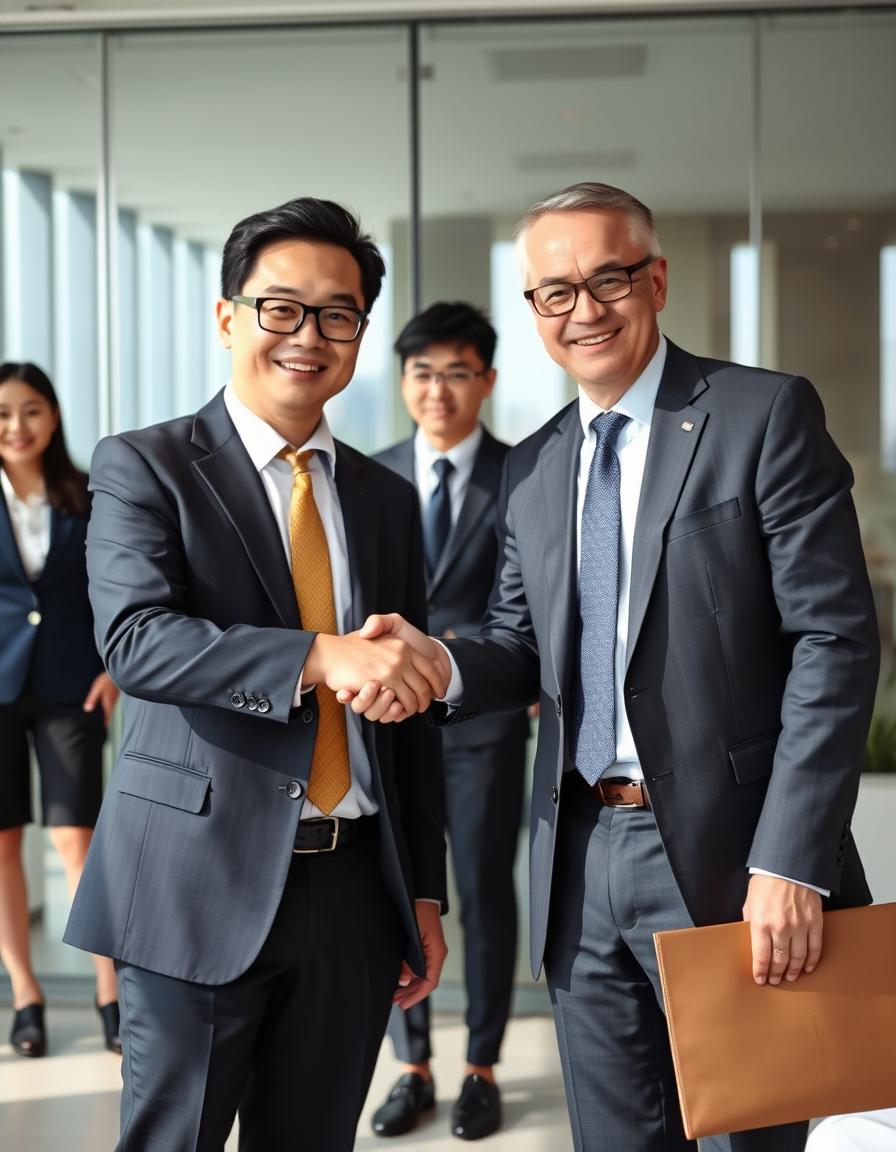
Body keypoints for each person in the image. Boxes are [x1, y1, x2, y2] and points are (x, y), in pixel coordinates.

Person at [346, 182, 880, 1152]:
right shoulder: (535, 465)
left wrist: (789, 860)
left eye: (608, 279)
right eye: (554, 292)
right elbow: (516, 649)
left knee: (744, 1139)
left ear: (657, 279)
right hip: (579, 860)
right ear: (533, 312)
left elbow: (833, 643)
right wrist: (439, 665)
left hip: (732, 865)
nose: (583, 309)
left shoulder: (759, 415)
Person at [63, 197, 449, 1152]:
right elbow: (139, 641)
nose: (308, 336)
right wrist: (321, 655)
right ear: (228, 316)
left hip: (355, 890)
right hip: (195, 884)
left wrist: (424, 894)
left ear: (359, 332)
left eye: (337, 314)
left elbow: (406, 713)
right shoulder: (144, 465)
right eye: (281, 307)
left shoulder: (386, 498)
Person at [370, 303, 529, 1141]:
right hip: (387, 723)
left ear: (488, 382)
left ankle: (481, 1065)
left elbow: (544, 597)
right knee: (398, 890)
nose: (438, 390)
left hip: (484, 724)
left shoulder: (524, 473)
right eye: (423, 373)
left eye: (457, 372)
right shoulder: (371, 476)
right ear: (403, 382)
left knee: (480, 893)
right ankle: (412, 1064)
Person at [0, 361, 120, 1058]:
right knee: (4, 844)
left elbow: (118, 587)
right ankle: (26, 996)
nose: (17, 427)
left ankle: (109, 992)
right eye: (4, 414)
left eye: (31, 411)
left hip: (74, 686)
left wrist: (115, 670)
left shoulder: (89, 495)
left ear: (53, 416)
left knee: (78, 841)